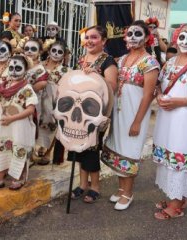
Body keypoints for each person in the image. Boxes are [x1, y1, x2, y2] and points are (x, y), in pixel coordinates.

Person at [101, 20, 159, 210]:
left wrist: (137, 122)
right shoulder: (122, 58)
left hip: (135, 115)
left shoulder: (150, 62)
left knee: (129, 152)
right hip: (119, 113)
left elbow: (148, 95)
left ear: (147, 38)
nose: (132, 37)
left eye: (137, 34)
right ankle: (120, 188)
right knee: (117, 149)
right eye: (130, 34)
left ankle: (128, 193)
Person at [153, 22, 187, 219]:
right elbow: (160, 84)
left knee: (182, 157)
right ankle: (176, 197)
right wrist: (159, 95)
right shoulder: (170, 62)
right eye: (182, 36)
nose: (185, 40)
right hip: (168, 119)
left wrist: (182, 101)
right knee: (169, 157)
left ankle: (175, 206)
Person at [66, 25, 117, 203]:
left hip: (97, 114)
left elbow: (112, 87)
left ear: (103, 41)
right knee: (78, 147)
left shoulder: (108, 61)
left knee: (91, 150)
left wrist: (97, 75)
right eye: (87, 37)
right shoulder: (81, 59)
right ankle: (82, 185)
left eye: (94, 37)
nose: (89, 41)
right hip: (78, 112)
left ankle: (95, 186)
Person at [0, 55, 38, 190]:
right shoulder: (4, 86)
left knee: (18, 148)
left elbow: (30, 110)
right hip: (3, 124)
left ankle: (19, 177)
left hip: (19, 125)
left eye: (18, 68)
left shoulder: (27, 88)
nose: (13, 71)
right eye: (11, 68)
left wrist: (12, 119)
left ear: (25, 71)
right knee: (3, 148)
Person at [37, 41, 70, 165]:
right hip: (38, 99)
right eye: (54, 51)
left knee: (52, 126)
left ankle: (48, 152)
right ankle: (37, 147)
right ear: (49, 51)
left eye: (60, 52)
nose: (56, 54)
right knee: (36, 124)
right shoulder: (39, 65)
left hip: (54, 101)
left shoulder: (65, 70)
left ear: (63, 55)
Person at [22, 38, 49, 163]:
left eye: (33, 49)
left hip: (32, 105)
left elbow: (41, 85)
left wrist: (20, 90)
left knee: (30, 129)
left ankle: (29, 155)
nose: (29, 51)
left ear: (40, 51)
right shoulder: (20, 63)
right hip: (16, 104)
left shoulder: (40, 69)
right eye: (26, 49)